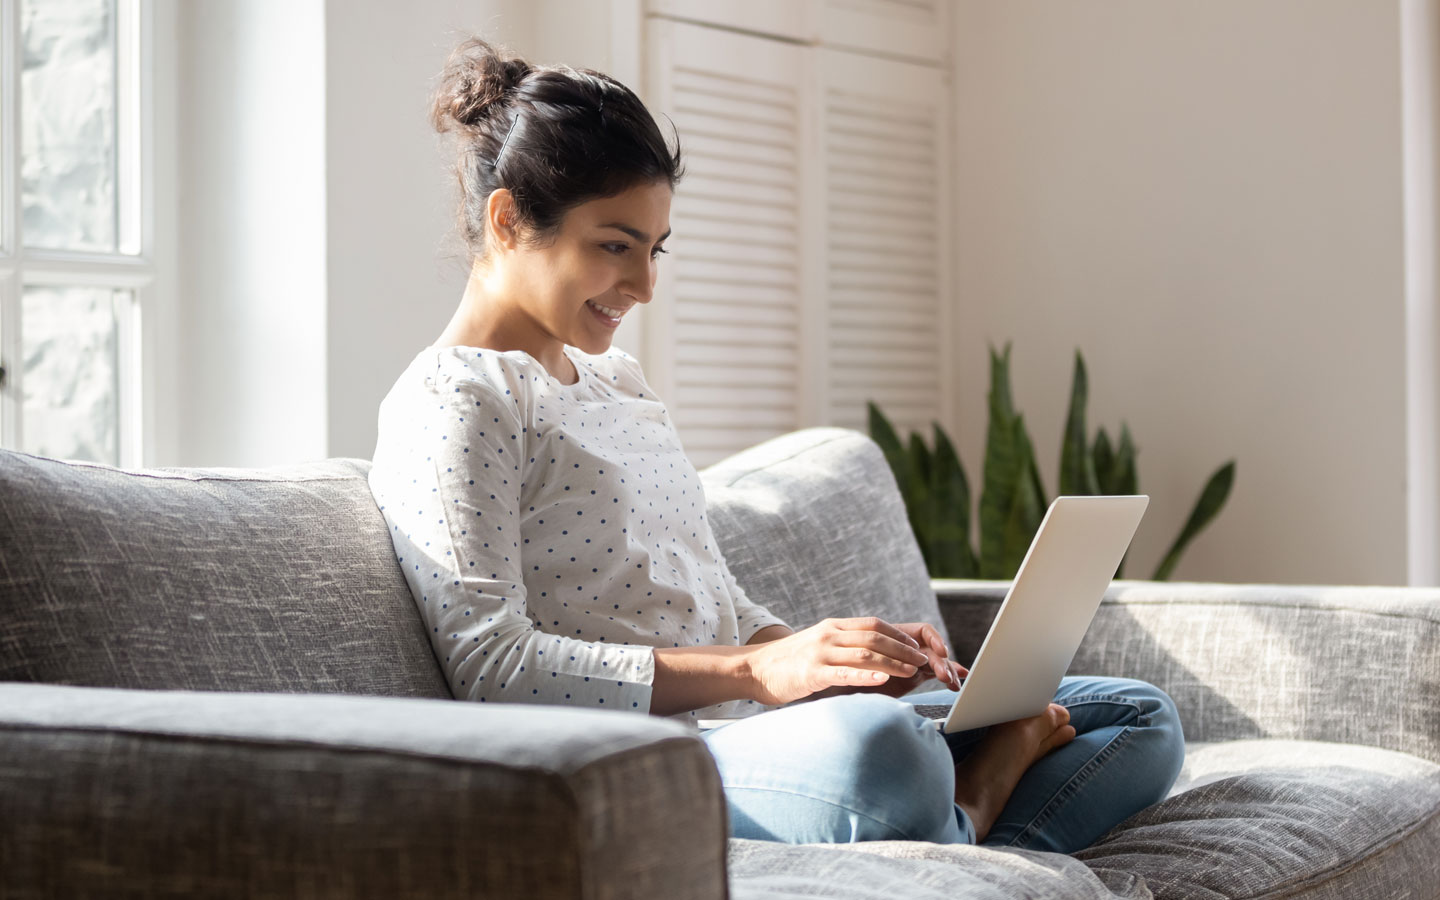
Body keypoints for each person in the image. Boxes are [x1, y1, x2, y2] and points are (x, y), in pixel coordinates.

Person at [368, 35, 1186, 854]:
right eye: (615, 245)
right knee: (887, 752)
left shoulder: (618, 384)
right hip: (643, 762)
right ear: (508, 220)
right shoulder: (456, 401)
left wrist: (827, 659)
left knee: (1136, 716)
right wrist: (758, 674)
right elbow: (495, 670)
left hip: (760, 739)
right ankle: (973, 804)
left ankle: (960, 849)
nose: (645, 286)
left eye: (654, 251)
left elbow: (716, 602)